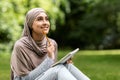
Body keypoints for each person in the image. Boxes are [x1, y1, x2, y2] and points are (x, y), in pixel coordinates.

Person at [10, 8, 90, 80]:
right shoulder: (20, 46)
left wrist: (63, 62)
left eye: (46, 19)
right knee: (58, 69)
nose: (45, 23)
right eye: (40, 19)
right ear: (30, 24)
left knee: (67, 66)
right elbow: (26, 78)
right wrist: (49, 59)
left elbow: (50, 71)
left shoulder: (52, 43)